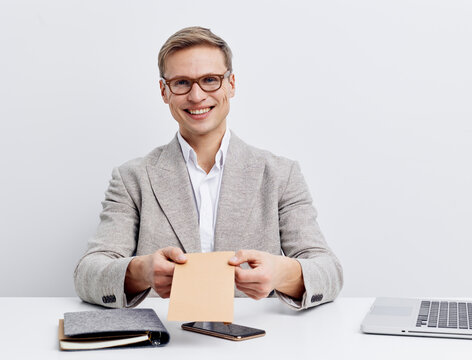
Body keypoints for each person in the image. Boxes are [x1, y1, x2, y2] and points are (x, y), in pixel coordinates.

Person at [74, 26, 343, 310]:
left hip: (256, 342)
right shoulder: (132, 179)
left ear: (231, 84)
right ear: (164, 91)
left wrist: (281, 273)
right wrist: (140, 272)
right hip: (165, 344)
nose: (197, 96)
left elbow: (328, 270)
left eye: (210, 80)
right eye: (181, 83)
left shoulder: (280, 175)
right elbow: (88, 273)